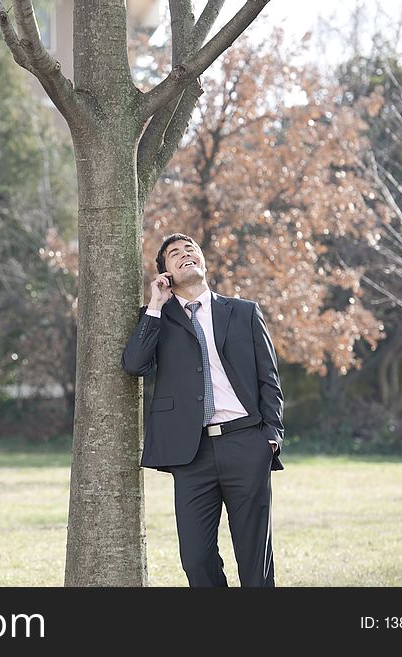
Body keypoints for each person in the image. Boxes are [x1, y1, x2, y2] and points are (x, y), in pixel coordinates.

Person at [121, 233, 285, 587]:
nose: (184, 255)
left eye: (190, 249)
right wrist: (155, 304)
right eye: (174, 254)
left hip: (245, 442)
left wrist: (271, 436)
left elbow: (269, 379)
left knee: (255, 560)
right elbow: (134, 364)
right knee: (195, 560)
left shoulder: (243, 312)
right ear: (164, 273)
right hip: (190, 453)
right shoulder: (157, 319)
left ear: (203, 261)